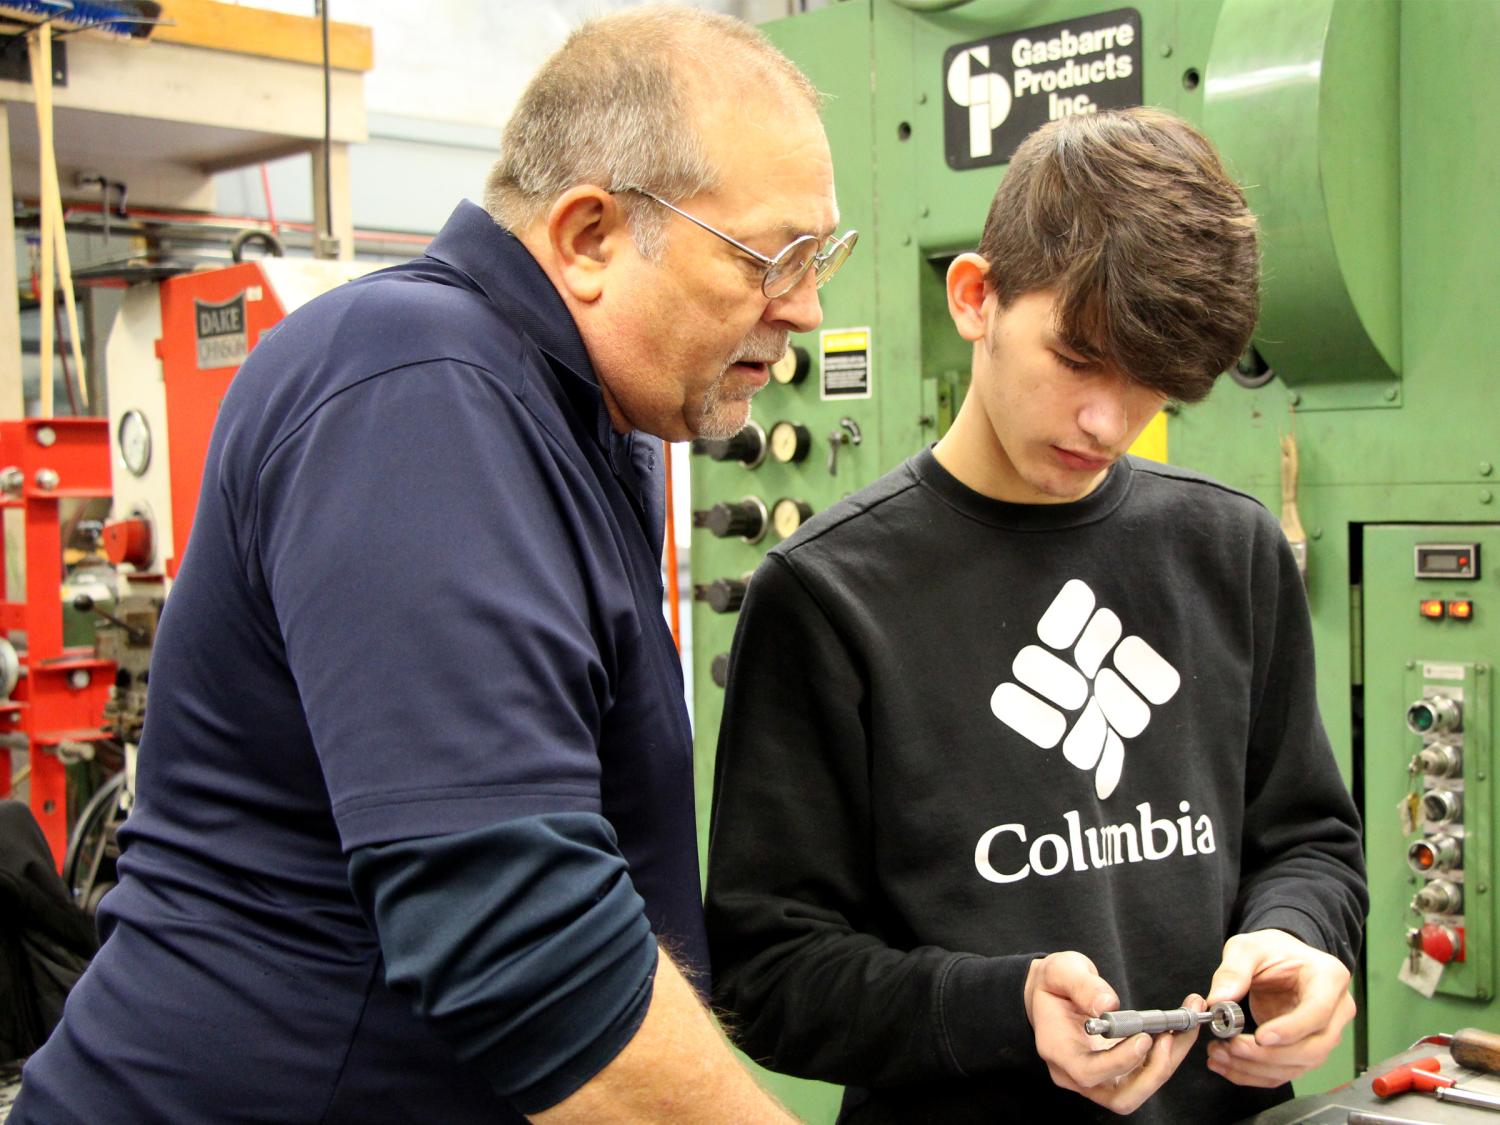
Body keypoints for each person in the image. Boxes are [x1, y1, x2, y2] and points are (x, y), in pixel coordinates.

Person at [14, 7, 855, 1123]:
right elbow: (518, 934)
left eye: (821, 257)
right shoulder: (414, 383)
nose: (804, 306)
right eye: (772, 257)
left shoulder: (585, 421)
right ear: (590, 235)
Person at [705, 107, 1367, 1124]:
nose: (1112, 421)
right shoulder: (831, 595)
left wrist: (1302, 937)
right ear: (976, 298)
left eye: (1153, 389)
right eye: (1080, 358)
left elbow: (1309, 840)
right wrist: (1001, 1008)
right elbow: (770, 976)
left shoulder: (1229, 552)